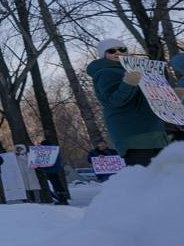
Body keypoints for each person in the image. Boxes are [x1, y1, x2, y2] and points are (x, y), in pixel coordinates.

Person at [87, 38, 169, 167]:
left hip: (155, 130)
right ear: (104, 54)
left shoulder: (140, 69)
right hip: (133, 134)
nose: (118, 52)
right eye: (111, 50)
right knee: (145, 177)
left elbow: (151, 95)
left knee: (166, 176)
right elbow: (112, 101)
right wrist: (128, 84)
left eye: (122, 49)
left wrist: (170, 94)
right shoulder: (104, 73)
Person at [34, 138, 70, 205]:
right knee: (56, 184)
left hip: (51, 170)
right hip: (53, 169)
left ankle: (62, 199)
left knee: (57, 184)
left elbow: (47, 161)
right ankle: (62, 198)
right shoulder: (54, 150)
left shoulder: (51, 151)